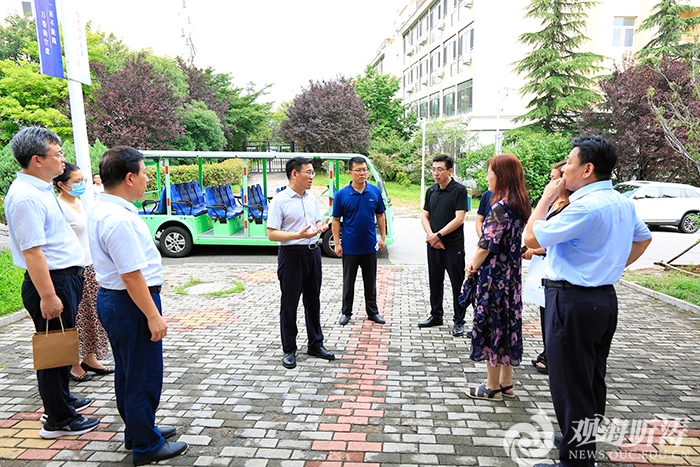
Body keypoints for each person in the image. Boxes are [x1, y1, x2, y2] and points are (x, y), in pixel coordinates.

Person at [524, 136, 652, 467]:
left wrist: (546, 196)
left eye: (569, 162)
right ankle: (579, 440)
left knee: (571, 383)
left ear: (587, 169)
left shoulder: (583, 207)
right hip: (602, 299)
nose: (564, 168)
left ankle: (576, 461)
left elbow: (531, 237)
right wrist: (609, 266)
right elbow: (643, 238)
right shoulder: (620, 202)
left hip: (573, 301)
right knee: (591, 379)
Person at [89, 146, 186, 466]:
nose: (148, 179)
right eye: (144, 174)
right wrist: (153, 316)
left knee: (129, 373)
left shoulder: (108, 209)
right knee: (143, 376)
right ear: (129, 178)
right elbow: (131, 275)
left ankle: (139, 429)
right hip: (131, 303)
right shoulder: (118, 219)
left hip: (119, 301)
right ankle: (146, 444)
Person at [4, 127, 99, 439]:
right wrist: (48, 296)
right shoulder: (25, 197)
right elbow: (33, 252)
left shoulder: (41, 189)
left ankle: (62, 400)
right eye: (57, 154)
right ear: (37, 160)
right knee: (53, 353)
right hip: (52, 283)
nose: (62, 159)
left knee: (62, 347)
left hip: (64, 279)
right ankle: (58, 420)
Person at [465, 153, 531, 401]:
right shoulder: (519, 205)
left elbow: (485, 245)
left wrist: (472, 266)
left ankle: (491, 387)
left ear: (501, 176)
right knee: (507, 324)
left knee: (492, 326)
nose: (487, 177)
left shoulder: (500, 208)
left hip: (494, 279)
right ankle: (506, 382)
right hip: (511, 279)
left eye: (490, 172)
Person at [267, 157, 335, 370]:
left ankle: (316, 344)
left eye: (313, 172)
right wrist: (297, 235)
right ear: (295, 174)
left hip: (313, 254)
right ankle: (289, 349)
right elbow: (272, 234)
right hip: (291, 256)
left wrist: (320, 225)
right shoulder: (280, 201)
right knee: (290, 303)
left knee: (313, 301)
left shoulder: (310, 198)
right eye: (309, 172)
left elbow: (315, 221)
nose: (312, 177)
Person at [53, 163, 114, 383]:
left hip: (90, 267)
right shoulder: (59, 207)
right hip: (73, 270)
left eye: (83, 180)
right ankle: (73, 364)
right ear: (62, 184)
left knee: (92, 316)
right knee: (76, 318)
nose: (81, 185)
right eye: (76, 181)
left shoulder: (77, 202)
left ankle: (90, 358)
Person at [521, 160, 568, 375]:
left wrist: (534, 250)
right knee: (545, 312)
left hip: (560, 273)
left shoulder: (570, 207)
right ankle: (547, 351)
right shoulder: (555, 204)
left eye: (554, 178)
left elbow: (551, 242)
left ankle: (553, 357)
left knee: (555, 317)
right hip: (546, 269)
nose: (551, 183)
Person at [418, 154, 469, 337]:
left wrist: (438, 235)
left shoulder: (459, 190)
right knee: (435, 281)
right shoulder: (431, 191)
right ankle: (436, 315)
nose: (435, 173)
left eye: (439, 169)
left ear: (449, 171)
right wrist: (432, 237)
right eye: (433, 169)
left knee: (457, 284)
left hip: (453, 247)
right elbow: (425, 217)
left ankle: (459, 321)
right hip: (434, 246)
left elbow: (459, 219)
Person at [332, 156, 387, 326]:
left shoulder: (374, 192)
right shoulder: (342, 195)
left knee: (370, 283)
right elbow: (336, 220)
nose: (362, 173)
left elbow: (380, 215)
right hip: (350, 247)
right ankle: (346, 312)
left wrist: (382, 237)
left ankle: (373, 312)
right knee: (349, 282)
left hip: (369, 245)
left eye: (364, 170)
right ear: (350, 172)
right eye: (358, 170)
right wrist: (337, 243)